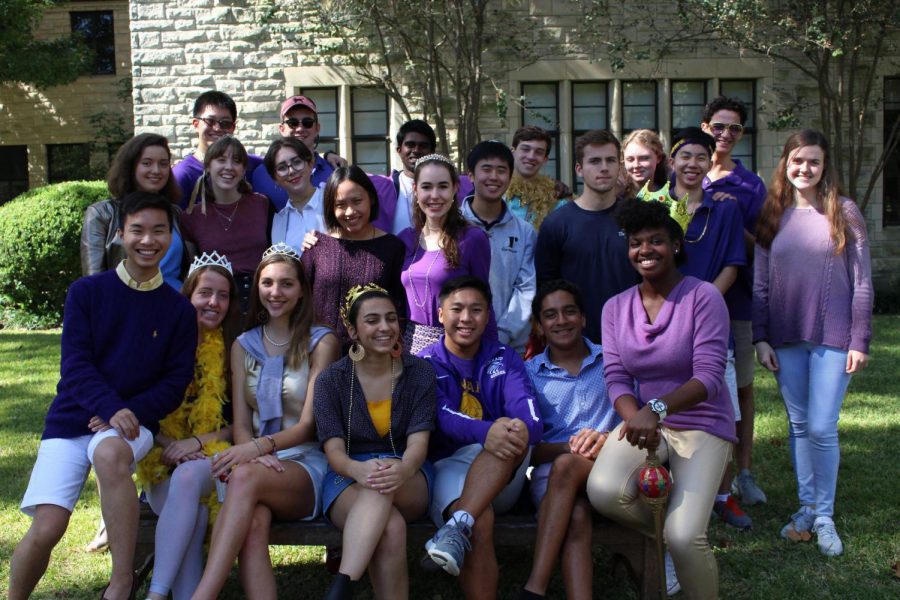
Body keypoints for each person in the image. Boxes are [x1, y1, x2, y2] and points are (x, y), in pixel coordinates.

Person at [9, 192, 198, 600]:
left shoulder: (179, 309)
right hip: (73, 419)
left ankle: (121, 582)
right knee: (47, 528)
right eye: (137, 230)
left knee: (110, 453)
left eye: (159, 231)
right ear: (119, 234)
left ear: (171, 236)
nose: (148, 240)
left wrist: (126, 414)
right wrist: (110, 407)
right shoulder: (86, 292)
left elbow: (175, 380)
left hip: (134, 423)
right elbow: (75, 366)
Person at [587, 199, 735, 600]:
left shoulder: (703, 298)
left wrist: (655, 409)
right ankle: (668, 533)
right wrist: (635, 418)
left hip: (702, 423)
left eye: (656, 241)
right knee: (603, 491)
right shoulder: (615, 307)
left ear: (676, 245)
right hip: (649, 423)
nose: (645, 250)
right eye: (636, 243)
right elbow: (616, 376)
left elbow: (709, 377)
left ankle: (680, 541)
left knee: (686, 537)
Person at [190, 244, 340, 599]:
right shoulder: (243, 345)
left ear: (302, 289)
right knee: (254, 523)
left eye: (287, 284)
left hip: (305, 463)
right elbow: (242, 423)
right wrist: (253, 452)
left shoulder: (322, 341)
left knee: (243, 477)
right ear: (256, 287)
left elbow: (309, 426)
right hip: (254, 462)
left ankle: (203, 595)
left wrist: (259, 449)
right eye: (268, 283)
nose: (276, 292)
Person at [753, 129, 872, 557]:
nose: (805, 168)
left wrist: (860, 338)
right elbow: (761, 283)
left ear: (825, 167)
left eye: (814, 162)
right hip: (785, 338)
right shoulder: (774, 214)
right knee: (799, 426)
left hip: (834, 336)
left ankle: (825, 515)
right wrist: (760, 337)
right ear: (786, 163)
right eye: (797, 160)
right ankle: (806, 508)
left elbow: (861, 282)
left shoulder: (844, 211)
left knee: (823, 427)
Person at [419, 276, 542, 600]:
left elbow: (530, 417)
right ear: (441, 313)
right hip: (450, 466)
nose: (466, 318)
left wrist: (509, 429)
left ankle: (458, 522)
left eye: (476, 310)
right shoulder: (425, 364)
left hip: (505, 470)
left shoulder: (504, 357)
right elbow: (440, 416)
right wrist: (487, 431)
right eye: (457, 308)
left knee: (515, 430)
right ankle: (464, 521)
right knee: (480, 519)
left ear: (488, 316)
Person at [314, 284, 436, 600]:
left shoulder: (419, 373)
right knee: (391, 528)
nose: (385, 327)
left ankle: (342, 586)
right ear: (353, 330)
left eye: (391, 318)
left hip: (410, 474)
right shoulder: (331, 379)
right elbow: (334, 452)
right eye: (372, 320)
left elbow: (418, 445)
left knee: (383, 478)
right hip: (347, 476)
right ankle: (344, 587)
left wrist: (404, 467)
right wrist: (358, 470)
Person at [136, 252, 237, 600]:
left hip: (212, 457)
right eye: (205, 293)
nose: (213, 302)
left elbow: (240, 423)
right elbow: (142, 412)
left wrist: (196, 442)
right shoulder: (159, 343)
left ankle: (155, 593)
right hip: (161, 458)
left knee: (189, 477)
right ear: (188, 295)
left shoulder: (234, 347)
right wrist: (169, 445)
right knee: (191, 516)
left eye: (223, 295)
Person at [669, 127, 750, 530]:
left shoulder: (725, 208)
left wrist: (702, 306)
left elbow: (733, 264)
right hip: (663, 323)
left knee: (724, 408)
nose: (692, 164)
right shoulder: (655, 206)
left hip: (710, 320)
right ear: (672, 161)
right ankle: (670, 489)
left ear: (709, 163)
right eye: (685, 156)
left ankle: (723, 494)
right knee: (667, 406)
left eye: (701, 157)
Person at [517, 280, 619, 600]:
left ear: (584, 318)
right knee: (573, 507)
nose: (561, 321)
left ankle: (535, 587)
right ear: (539, 326)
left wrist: (606, 439)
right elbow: (529, 452)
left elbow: (639, 416)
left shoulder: (612, 362)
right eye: (550, 315)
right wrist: (568, 446)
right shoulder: (529, 374)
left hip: (609, 469)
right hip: (553, 475)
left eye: (569, 311)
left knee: (567, 466)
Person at [701, 96, 770, 506]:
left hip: (736, 303)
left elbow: (763, 246)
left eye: (735, 129)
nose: (725, 135)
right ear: (705, 126)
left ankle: (742, 473)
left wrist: (729, 218)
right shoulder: (682, 172)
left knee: (741, 389)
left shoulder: (749, 185)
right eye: (718, 126)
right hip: (686, 305)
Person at [535, 129, 640, 343]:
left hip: (632, 338)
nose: (603, 168)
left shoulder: (637, 218)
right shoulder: (556, 224)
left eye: (610, 160)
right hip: (576, 345)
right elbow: (546, 290)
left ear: (619, 167)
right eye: (594, 161)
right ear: (579, 169)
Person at [300, 166, 407, 351]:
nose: (350, 212)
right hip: (320, 356)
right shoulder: (316, 246)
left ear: (371, 199)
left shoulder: (392, 248)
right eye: (340, 205)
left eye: (357, 201)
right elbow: (300, 301)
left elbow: (399, 308)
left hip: (375, 359)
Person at [399, 154, 495, 354]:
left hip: (455, 347)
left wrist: (491, 357)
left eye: (442, 186)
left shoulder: (472, 239)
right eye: (426, 187)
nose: (435, 195)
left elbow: (484, 303)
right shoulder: (405, 239)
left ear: (455, 189)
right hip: (408, 349)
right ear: (415, 190)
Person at [81, 132, 191, 290]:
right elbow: (93, 280)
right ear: (131, 166)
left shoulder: (175, 213)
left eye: (163, 163)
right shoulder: (101, 214)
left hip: (174, 305)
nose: (156, 170)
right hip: (124, 305)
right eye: (147, 163)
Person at [179, 136, 273, 312]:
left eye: (236, 161)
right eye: (221, 160)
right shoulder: (192, 216)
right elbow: (192, 272)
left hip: (261, 303)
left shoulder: (262, 204)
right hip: (218, 306)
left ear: (244, 169)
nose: (229, 167)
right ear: (208, 166)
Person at [460, 140, 536, 353]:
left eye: (501, 170)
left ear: (510, 178)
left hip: (509, 346)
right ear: (471, 176)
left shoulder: (525, 232)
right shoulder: (452, 225)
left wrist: (501, 334)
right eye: (486, 169)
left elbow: (526, 289)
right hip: (458, 342)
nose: (494, 177)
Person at [172, 90, 265, 206]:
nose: (217, 128)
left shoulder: (255, 166)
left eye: (225, 123)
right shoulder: (182, 175)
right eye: (210, 121)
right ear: (196, 124)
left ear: (233, 127)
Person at [389, 119, 475, 235]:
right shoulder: (384, 190)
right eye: (410, 145)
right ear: (399, 150)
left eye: (423, 145)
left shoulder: (464, 187)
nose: (416, 150)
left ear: (432, 151)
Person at [264, 137, 326, 253]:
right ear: (275, 179)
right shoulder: (278, 222)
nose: (291, 171)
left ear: (310, 163)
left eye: (297, 162)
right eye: (282, 168)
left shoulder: (333, 203)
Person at [506, 125, 567, 228]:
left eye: (539, 152)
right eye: (525, 149)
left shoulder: (557, 199)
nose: (531, 157)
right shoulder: (495, 190)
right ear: (513, 152)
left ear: (545, 159)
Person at [622, 129, 669, 202]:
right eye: (630, 159)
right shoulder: (615, 198)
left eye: (644, 158)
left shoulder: (670, 198)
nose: (636, 165)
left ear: (658, 158)